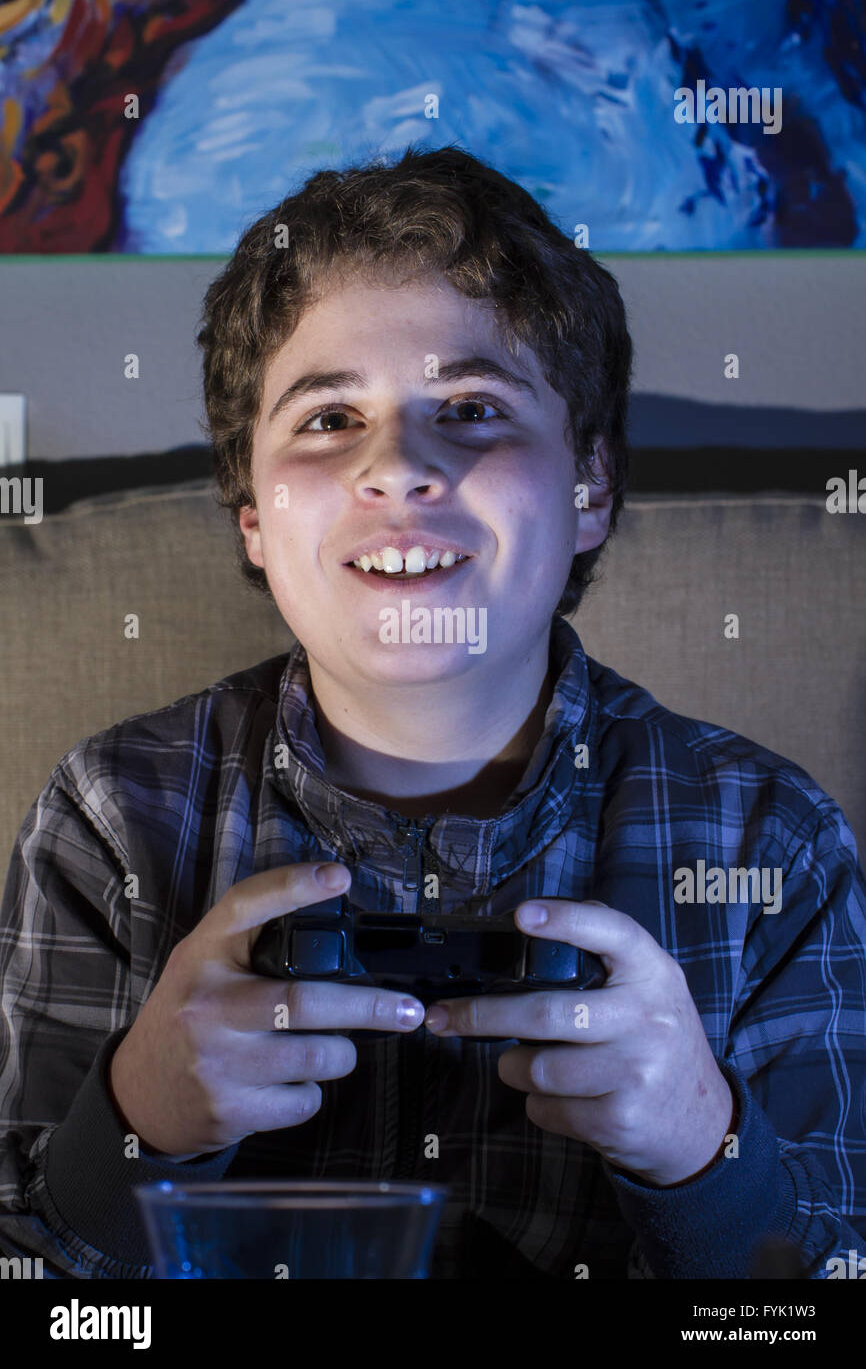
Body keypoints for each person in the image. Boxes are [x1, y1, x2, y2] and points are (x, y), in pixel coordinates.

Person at [1, 145, 864, 1280]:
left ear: (588, 486)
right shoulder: (114, 813)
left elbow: (816, 1292)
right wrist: (135, 1119)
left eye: (468, 405)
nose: (398, 465)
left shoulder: (769, 839)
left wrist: (705, 1150)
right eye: (325, 419)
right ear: (251, 516)